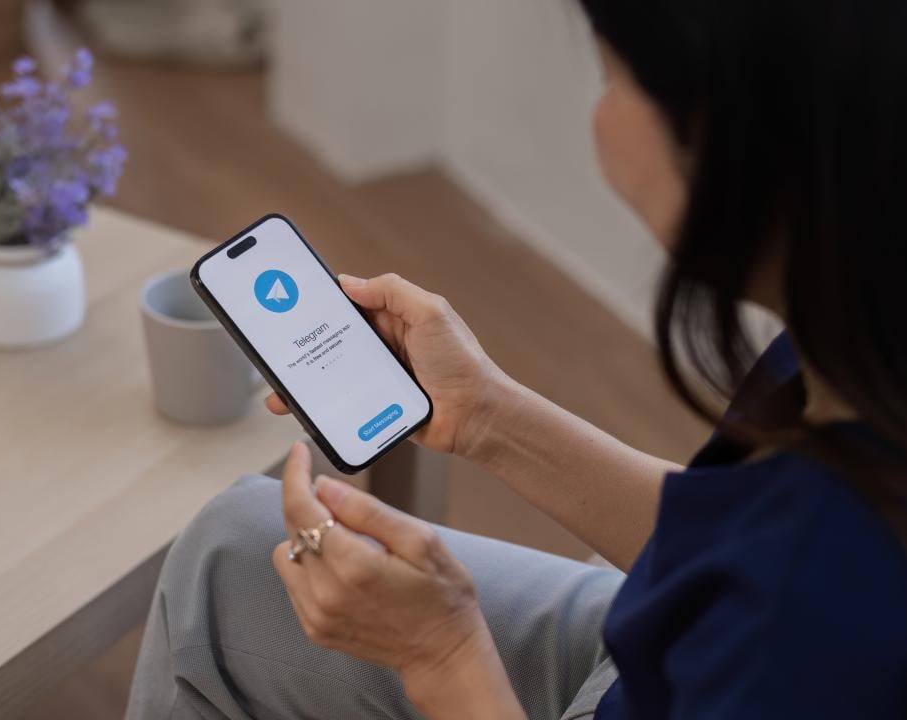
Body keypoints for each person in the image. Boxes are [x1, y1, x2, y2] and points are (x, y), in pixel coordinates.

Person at [125, 0, 907, 717]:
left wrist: (439, 651)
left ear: (733, 134)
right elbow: (738, 541)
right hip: (662, 651)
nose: (599, 117)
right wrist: (487, 415)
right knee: (227, 546)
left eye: (612, 78)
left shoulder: (806, 621)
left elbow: (779, 578)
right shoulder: (855, 333)